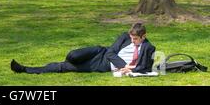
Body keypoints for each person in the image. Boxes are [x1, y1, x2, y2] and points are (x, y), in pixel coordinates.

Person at [10, 23, 155, 75]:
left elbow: (145, 67)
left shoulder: (148, 47)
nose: (132, 41)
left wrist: (130, 70)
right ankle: (72, 60)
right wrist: (123, 66)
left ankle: (25, 69)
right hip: (101, 53)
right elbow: (110, 52)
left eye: (135, 39)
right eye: (131, 38)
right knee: (72, 56)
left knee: (64, 67)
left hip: (101, 65)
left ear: (143, 36)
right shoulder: (125, 36)